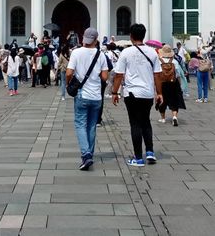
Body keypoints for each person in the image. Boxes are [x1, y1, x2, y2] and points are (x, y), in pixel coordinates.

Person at [111, 23, 163, 167]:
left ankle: (138, 158)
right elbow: (157, 75)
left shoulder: (126, 53)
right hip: (147, 93)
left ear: (131, 36)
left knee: (135, 124)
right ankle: (150, 152)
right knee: (146, 122)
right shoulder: (153, 52)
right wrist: (159, 93)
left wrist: (115, 92)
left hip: (132, 93)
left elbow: (118, 75)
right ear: (143, 35)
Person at [66, 28, 109, 171]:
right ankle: (89, 153)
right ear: (96, 40)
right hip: (96, 96)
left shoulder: (76, 53)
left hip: (82, 94)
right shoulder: (101, 54)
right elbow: (104, 77)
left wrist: (68, 83)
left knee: (80, 124)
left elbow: (69, 72)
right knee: (91, 126)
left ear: (84, 38)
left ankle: (86, 154)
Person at [155, 45, 185, 126]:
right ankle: (174, 117)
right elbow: (178, 74)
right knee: (174, 100)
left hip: (162, 83)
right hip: (173, 83)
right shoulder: (174, 61)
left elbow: (156, 74)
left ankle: (163, 118)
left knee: (162, 100)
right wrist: (179, 84)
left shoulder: (159, 61)